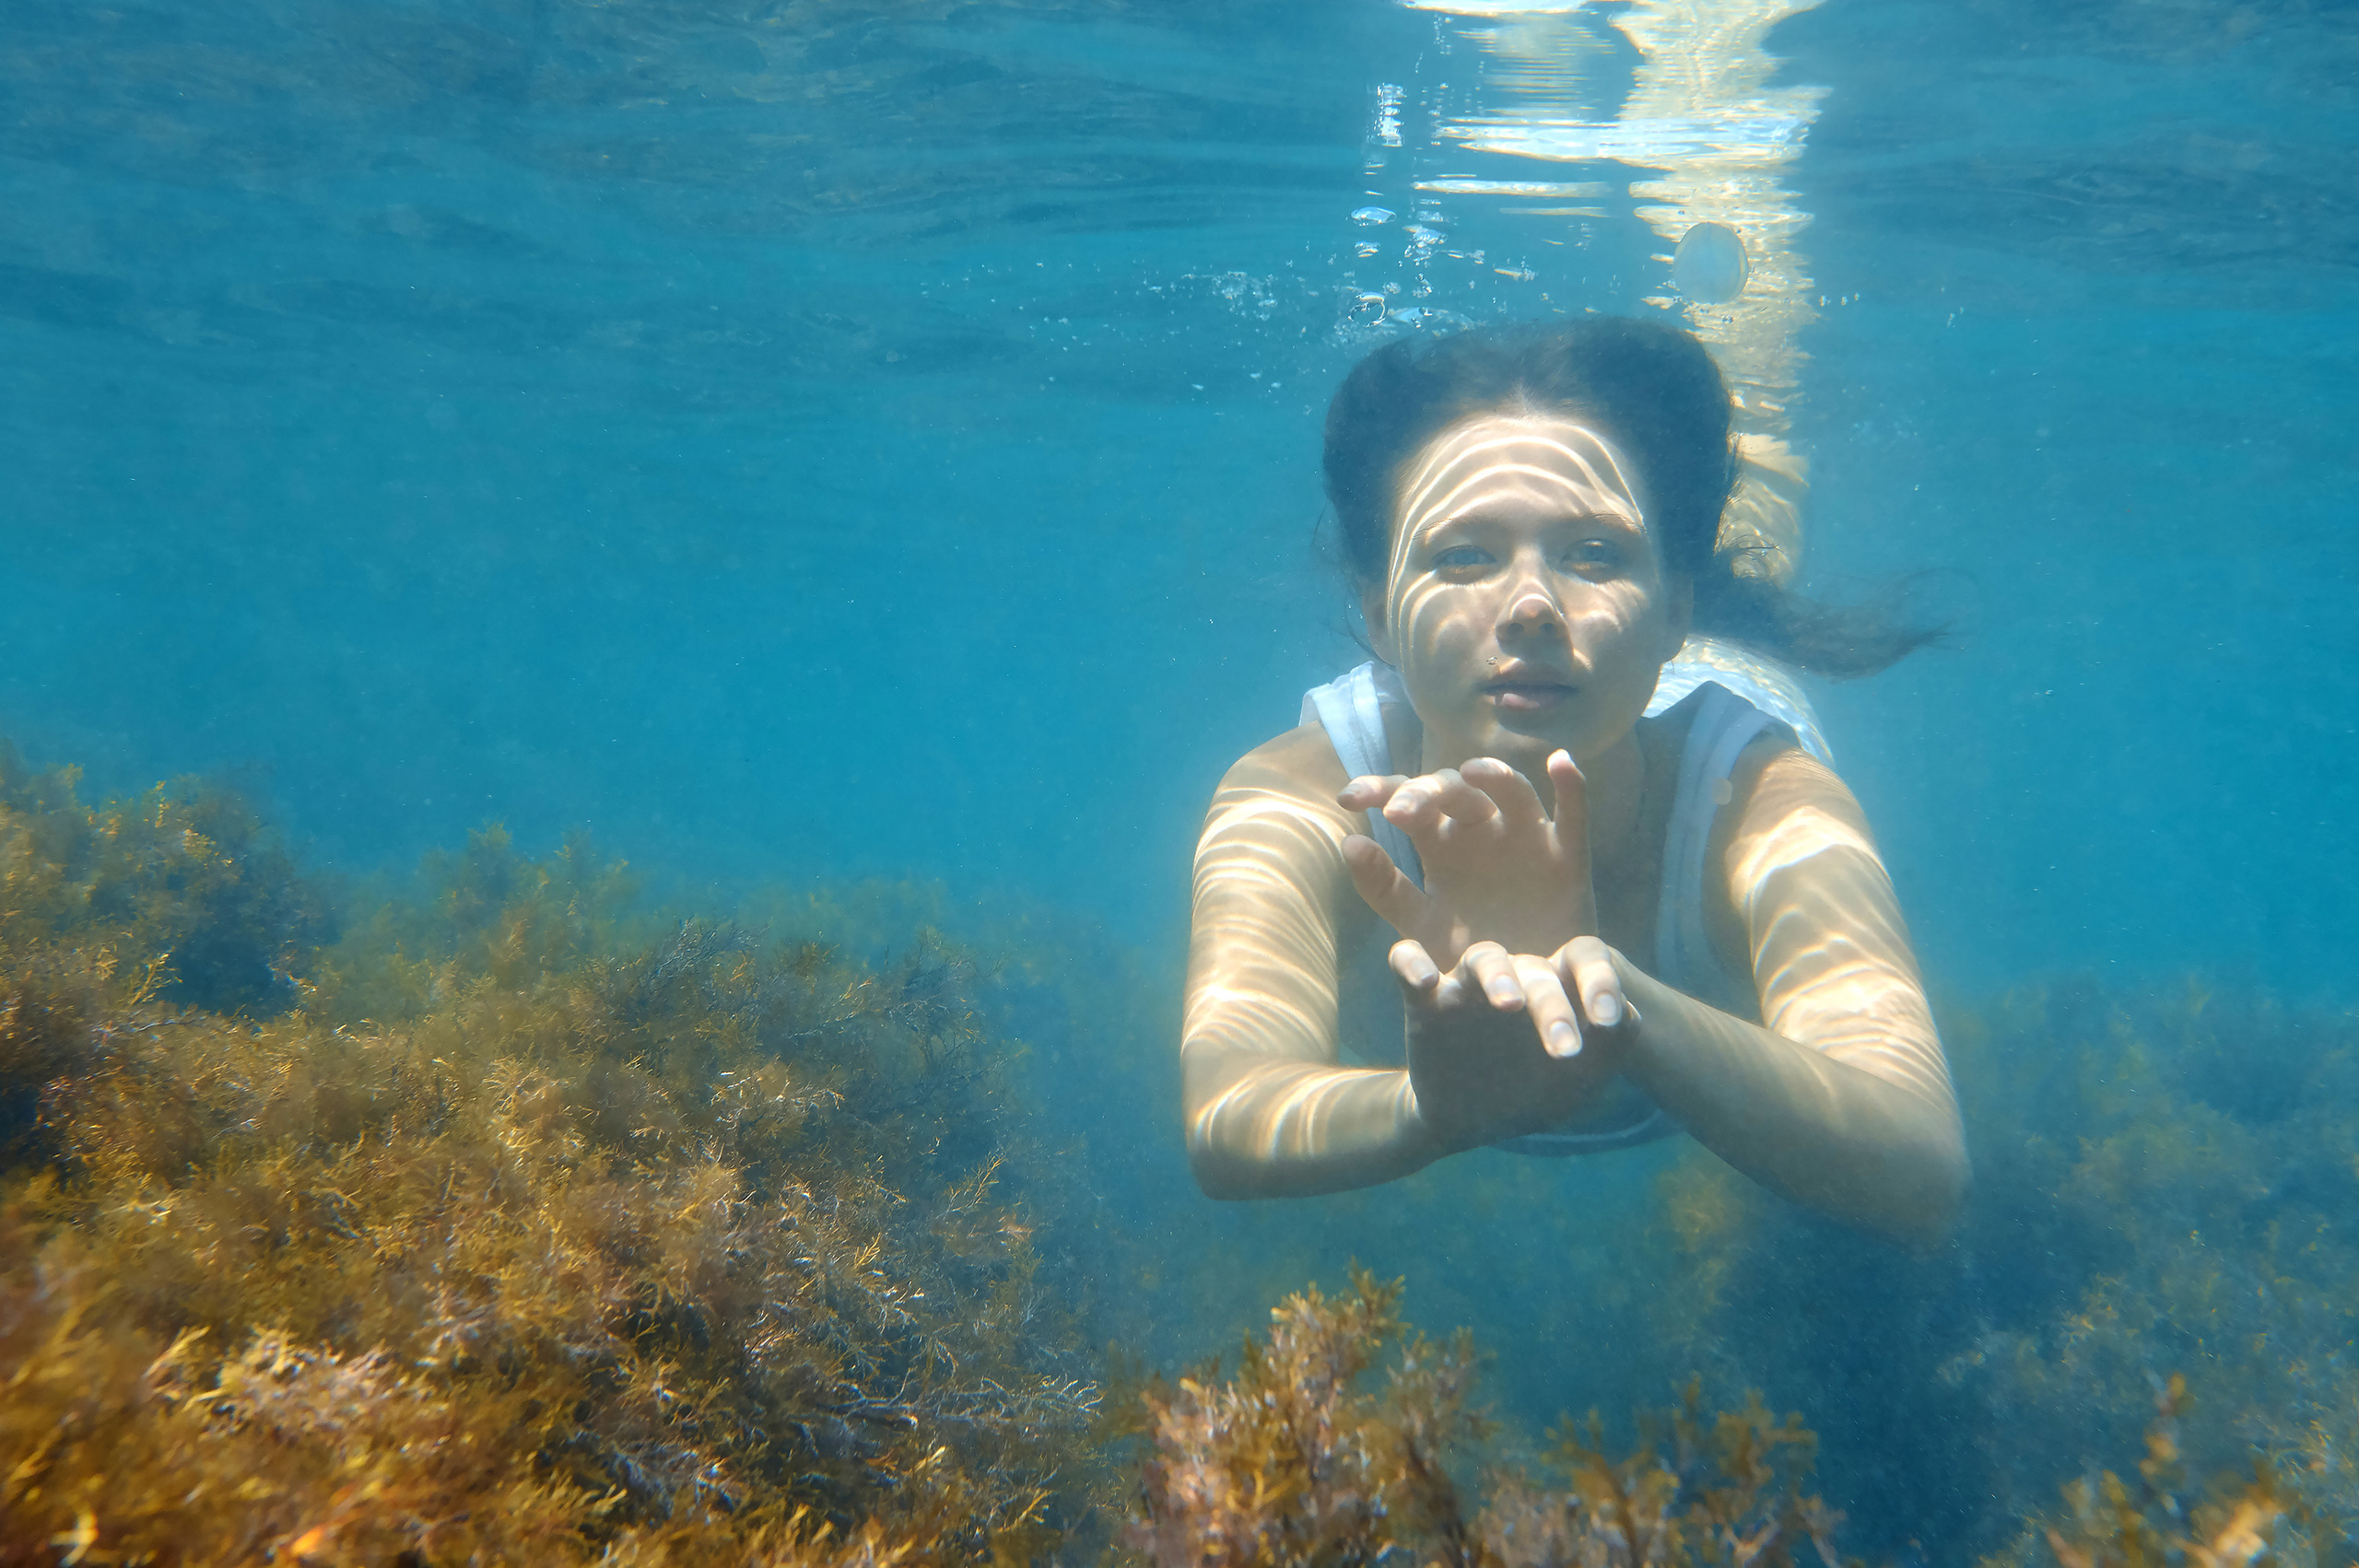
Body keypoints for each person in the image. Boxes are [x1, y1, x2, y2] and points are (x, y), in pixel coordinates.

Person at [1180, 317, 1966, 1244]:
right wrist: (1429, 1110)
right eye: (1463, 553)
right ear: (1380, 616)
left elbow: (1918, 1153)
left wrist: (1617, 1002)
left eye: (1594, 552)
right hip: (1614, 670)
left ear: (1675, 608)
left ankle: (1753, 403)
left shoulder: (1755, 800)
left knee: (1754, 542)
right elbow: (1228, 1115)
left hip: (1688, 674)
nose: (1530, 607)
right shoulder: (1303, 798)